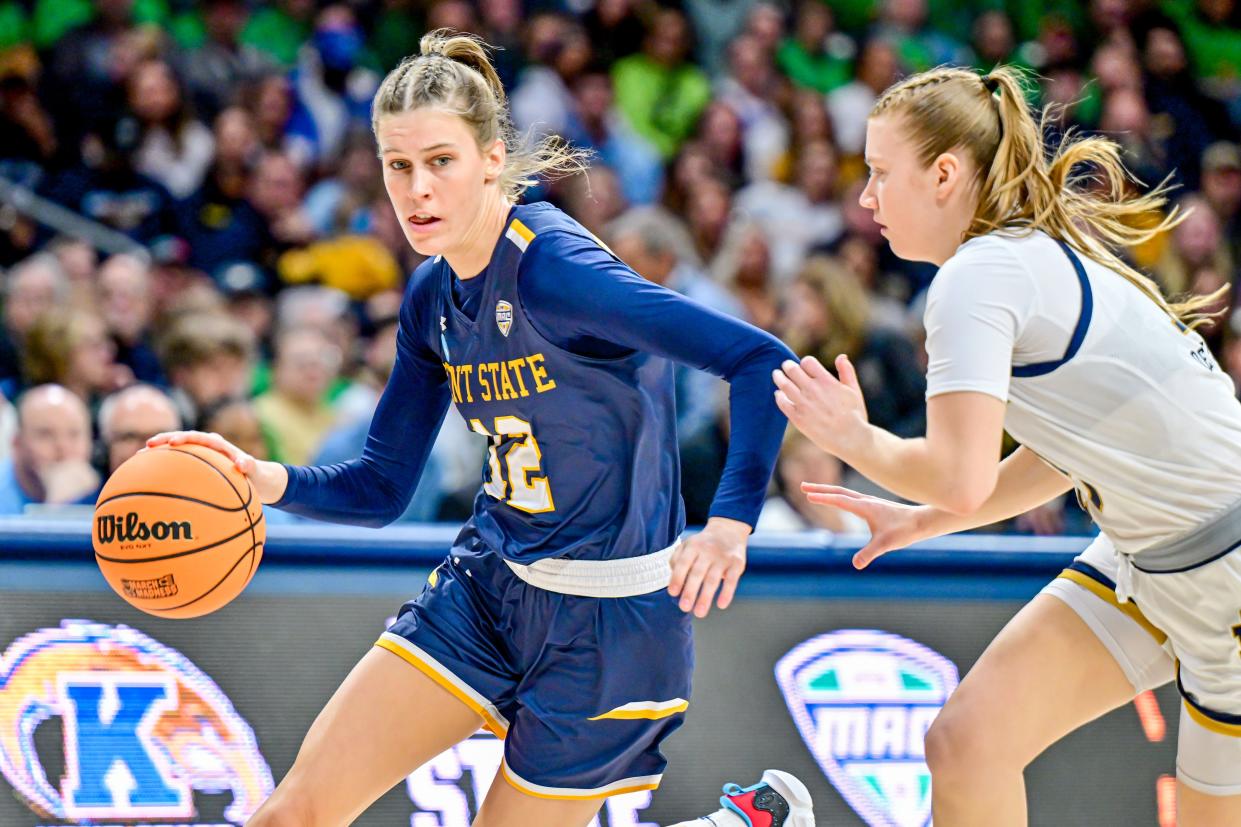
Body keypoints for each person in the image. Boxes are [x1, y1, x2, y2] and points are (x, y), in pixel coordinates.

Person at [149, 30, 809, 827]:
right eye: (398, 166)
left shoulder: (558, 270)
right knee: (293, 813)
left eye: (440, 161)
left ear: (492, 157)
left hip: (610, 622)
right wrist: (265, 480)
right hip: (487, 584)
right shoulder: (431, 294)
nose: (417, 190)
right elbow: (381, 485)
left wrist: (730, 523)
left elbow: (758, 359)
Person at [773, 65, 1241, 824]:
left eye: (880, 174)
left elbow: (958, 477)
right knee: (965, 743)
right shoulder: (1027, 252)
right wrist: (925, 519)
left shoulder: (979, 276)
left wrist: (855, 439)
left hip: (1225, 573)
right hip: (1150, 557)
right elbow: (1068, 452)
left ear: (945, 174)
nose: (865, 198)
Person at [0, 384, 99, 515]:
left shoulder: (106, 492)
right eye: (45, 434)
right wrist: (57, 506)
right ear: (16, 443)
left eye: (74, 434)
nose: (63, 447)